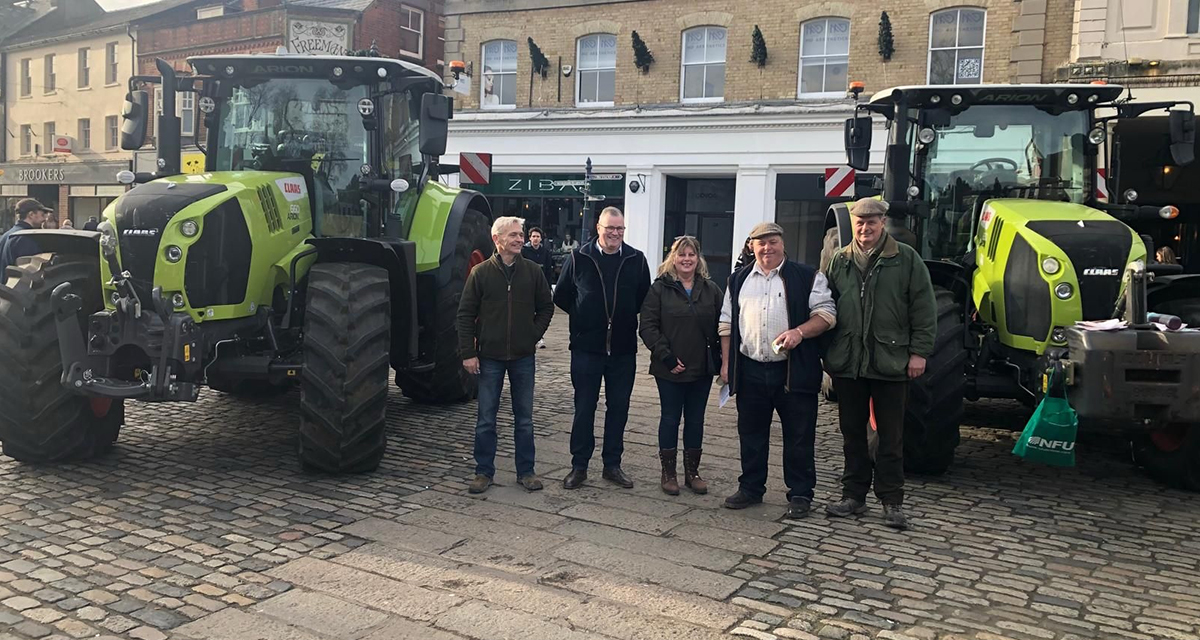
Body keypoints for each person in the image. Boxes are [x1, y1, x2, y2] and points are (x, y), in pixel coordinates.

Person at [821, 198, 937, 530]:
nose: (865, 228)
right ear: (854, 224)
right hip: (850, 363)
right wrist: (829, 353)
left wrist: (919, 353)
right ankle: (853, 495)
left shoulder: (905, 259)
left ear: (882, 222)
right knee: (852, 433)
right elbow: (826, 306)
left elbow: (923, 309)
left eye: (872, 222)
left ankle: (891, 501)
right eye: (860, 222)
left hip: (891, 360)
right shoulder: (840, 260)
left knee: (890, 436)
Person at [719, 222, 836, 519]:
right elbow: (726, 325)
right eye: (761, 243)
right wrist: (726, 365)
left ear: (782, 244)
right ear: (751, 247)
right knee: (751, 433)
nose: (767, 248)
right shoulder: (737, 280)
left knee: (799, 435)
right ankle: (751, 487)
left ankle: (800, 492)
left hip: (793, 371)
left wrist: (799, 332)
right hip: (751, 369)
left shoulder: (808, 276)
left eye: (772, 242)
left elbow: (826, 315)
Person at [554, 206, 651, 490]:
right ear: (599, 228)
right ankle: (579, 466)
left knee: (618, 408)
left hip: (622, 349)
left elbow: (643, 297)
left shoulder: (636, 259)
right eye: (610, 228)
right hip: (586, 348)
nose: (615, 234)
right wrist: (585, 316)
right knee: (584, 407)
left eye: (620, 229)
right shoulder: (579, 257)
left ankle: (612, 465)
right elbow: (561, 296)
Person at [457, 215, 555, 494]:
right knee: (486, 417)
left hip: (523, 357)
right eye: (513, 235)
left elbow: (546, 307)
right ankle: (483, 472)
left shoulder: (534, 272)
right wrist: (468, 353)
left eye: (521, 234)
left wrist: (531, 335)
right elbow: (465, 314)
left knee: (524, 418)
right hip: (490, 356)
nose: (520, 239)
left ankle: (526, 471)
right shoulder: (481, 273)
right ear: (497, 239)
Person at [639, 236, 722, 495]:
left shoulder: (711, 290)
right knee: (670, 418)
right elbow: (648, 326)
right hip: (669, 368)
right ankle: (669, 473)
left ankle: (692, 473)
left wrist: (722, 359)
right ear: (673, 258)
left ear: (698, 259)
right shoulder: (659, 289)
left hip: (701, 368)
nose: (686, 259)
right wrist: (667, 357)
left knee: (696, 420)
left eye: (691, 255)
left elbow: (724, 325)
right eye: (681, 254)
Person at [522, 226, 555, 349]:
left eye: (538, 236)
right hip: (527, 284)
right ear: (530, 238)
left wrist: (548, 286)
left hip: (540, 285)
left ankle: (539, 337)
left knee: (540, 311)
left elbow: (548, 271)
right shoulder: (524, 251)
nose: (535, 239)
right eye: (533, 236)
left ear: (541, 239)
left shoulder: (546, 252)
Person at [0, 198, 52, 270]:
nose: (44, 219)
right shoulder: (25, 239)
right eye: (42, 215)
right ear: (31, 215)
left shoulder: (6, 236)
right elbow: (32, 271)